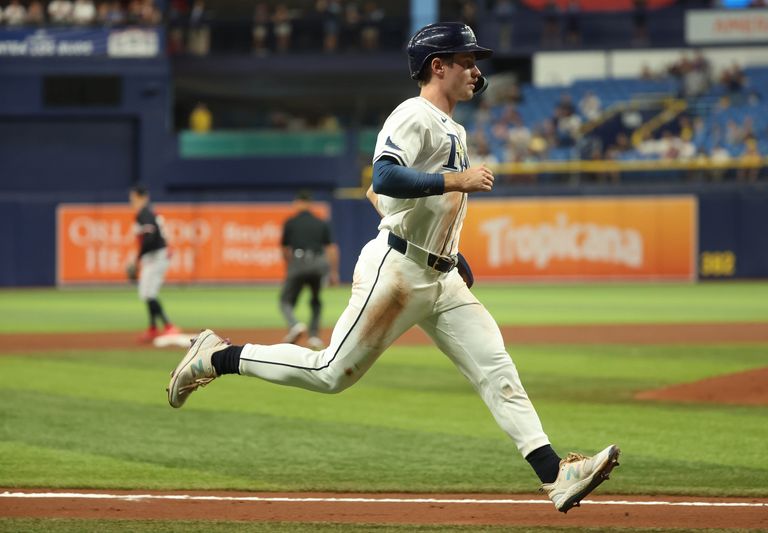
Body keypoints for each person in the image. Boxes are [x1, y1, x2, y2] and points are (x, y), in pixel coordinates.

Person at [166, 22, 619, 514]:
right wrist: (455, 179)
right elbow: (382, 174)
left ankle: (555, 475)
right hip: (398, 271)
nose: (475, 69)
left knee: (495, 366)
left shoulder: (453, 127)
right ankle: (217, 356)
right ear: (436, 66)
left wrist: (450, 253)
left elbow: (386, 197)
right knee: (328, 373)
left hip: (438, 276)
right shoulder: (414, 113)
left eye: (475, 61)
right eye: (465, 60)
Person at [279, 190, 340, 350]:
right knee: (316, 300)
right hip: (319, 263)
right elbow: (332, 249)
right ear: (310, 204)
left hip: (299, 261)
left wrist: (290, 267)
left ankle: (295, 325)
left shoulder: (291, 222)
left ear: (298, 203)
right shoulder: (320, 222)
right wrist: (333, 272)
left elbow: (285, 249)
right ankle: (314, 337)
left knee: (285, 300)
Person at [127, 185, 180, 342]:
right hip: (154, 256)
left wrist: (137, 259)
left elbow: (150, 237)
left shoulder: (144, 213)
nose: (132, 200)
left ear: (141, 197)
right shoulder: (148, 213)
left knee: (149, 293)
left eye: (134, 197)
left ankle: (169, 326)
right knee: (146, 293)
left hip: (157, 256)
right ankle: (153, 328)